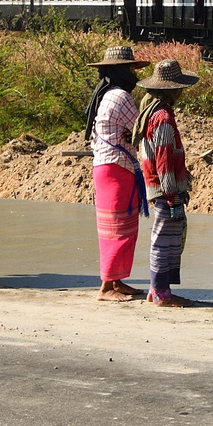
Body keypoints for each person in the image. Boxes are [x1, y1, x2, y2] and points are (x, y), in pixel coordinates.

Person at [85, 45, 151, 302]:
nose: (134, 75)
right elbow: (140, 128)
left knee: (117, 226)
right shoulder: (121, 97)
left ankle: (116, 281)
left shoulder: (106, 94)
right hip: (117, 167)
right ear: (120, 71)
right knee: (118, 229)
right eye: (130, 69)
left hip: (107, 166)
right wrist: (133, 135)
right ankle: (106, 287)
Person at [135, 59, 198, 307]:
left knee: (168, 238)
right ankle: (161, 294)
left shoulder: (155, 112)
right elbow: (163, 161)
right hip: (164, 190)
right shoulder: (162, 117)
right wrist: (173, 194)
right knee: (164, 240)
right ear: (174, 90)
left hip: (162, 188)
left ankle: (158, 290)